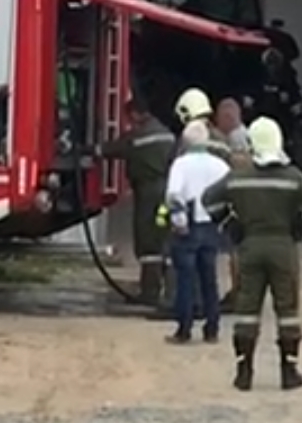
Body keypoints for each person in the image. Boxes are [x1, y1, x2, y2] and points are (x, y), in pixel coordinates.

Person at [224, 116, 302, 390]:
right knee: (287, 310)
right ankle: (289, 372)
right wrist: (301, 222)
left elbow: (210, 198)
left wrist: (230, 225)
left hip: (250, 247)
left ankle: (243, 373)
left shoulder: (239, 178)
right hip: (283, 247)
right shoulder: (292, 177)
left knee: (247, 309)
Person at [96, 98, 176, 311]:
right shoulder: (167, 133)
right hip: (167, 192)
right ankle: (172, 291)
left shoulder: (139, 135)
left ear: (136, 114)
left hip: (148, 193)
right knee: (164, 235)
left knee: (147, 239)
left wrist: (89, 149)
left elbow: (113, 149)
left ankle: (150, 291)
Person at [160, 120, 231, 344]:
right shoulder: (220, 165)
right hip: (211, 224)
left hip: (187, 225)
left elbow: (173, 195)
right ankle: (212, 329)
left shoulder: (181, 165)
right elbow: (230, 194)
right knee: (209, 278)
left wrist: (177, 219)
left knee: (185, 278)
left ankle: (184, 328)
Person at [212, 97, 252, 313]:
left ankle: (239, 293)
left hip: (243, 202)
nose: (218, 123)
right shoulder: (244, 136)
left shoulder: (237, 140)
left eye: (220, 118)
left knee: (237, 250)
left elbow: (239, 168)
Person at [256, 47, 302, 154]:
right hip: (263, 115)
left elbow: (294, 93)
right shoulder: (259, 78)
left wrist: (297, 108)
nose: (272, 67)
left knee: (286, 143)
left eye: (275, 63)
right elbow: (253, 92)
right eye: (270, 63)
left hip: (282, 116)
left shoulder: (287, 78)